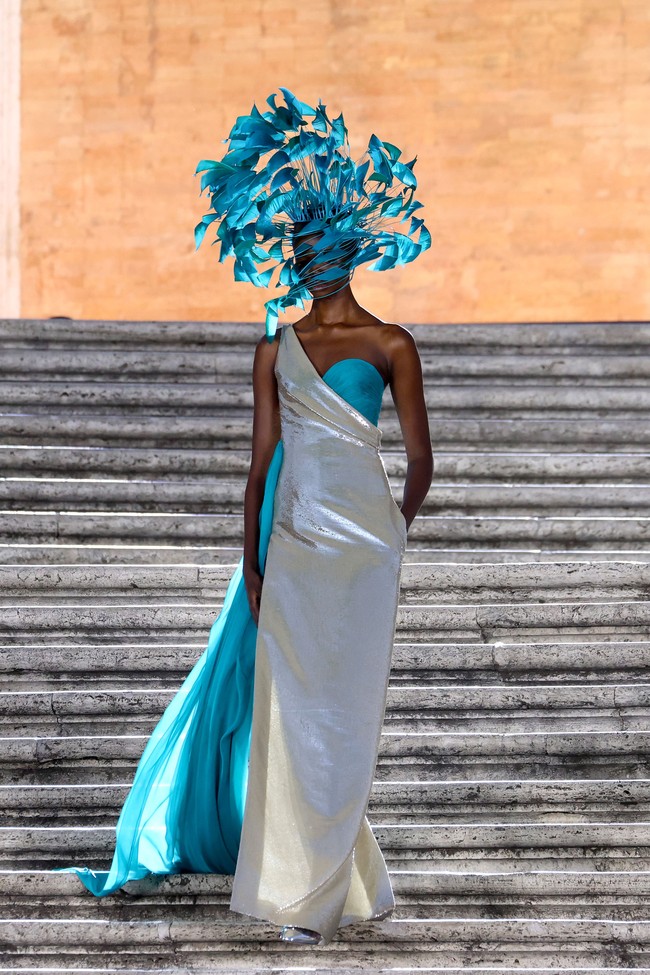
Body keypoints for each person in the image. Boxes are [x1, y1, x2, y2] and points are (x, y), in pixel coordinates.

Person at [52, 87, 433, 948]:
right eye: (299, 247)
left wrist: (395, 531)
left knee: (346, 714)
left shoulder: (392, 346)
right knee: (296, 712)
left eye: (314, 247)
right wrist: (253, 565)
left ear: (344, 252)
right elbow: (259, 467)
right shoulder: (274, 348)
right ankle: (302, 887)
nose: (303, 259)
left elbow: (420, 459)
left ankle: (337, 871)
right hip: (295, 548)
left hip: (365, 557)